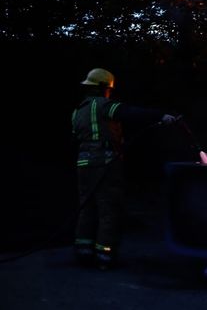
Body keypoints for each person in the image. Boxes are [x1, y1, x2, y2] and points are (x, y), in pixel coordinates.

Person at [71, 67, 177, 270]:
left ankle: (83, 252)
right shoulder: (104, 105)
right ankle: (105, 256)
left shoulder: (78, 111)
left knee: (86, 208)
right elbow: (129, 113)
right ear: (104, 88)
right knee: (108, 209)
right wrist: (161, 115)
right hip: (105, 163)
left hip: (83, 165)